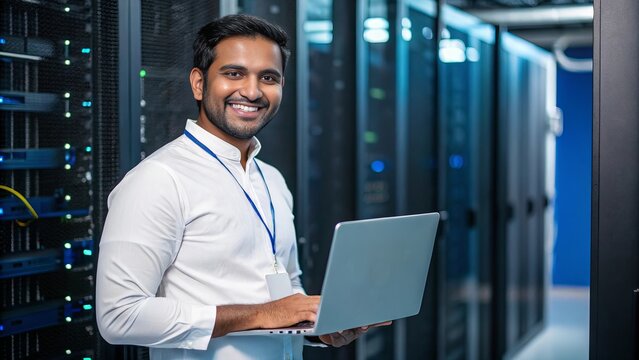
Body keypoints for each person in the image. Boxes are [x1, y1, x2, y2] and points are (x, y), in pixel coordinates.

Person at [96, 14, 373, 359]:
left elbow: (287, 289)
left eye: (268, 77)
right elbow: (119, 316)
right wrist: (261, 314)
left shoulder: (272, 179)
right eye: (234, 73)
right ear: (198, 83)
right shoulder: (158, 179)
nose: (253, 91)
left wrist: (317, 327)